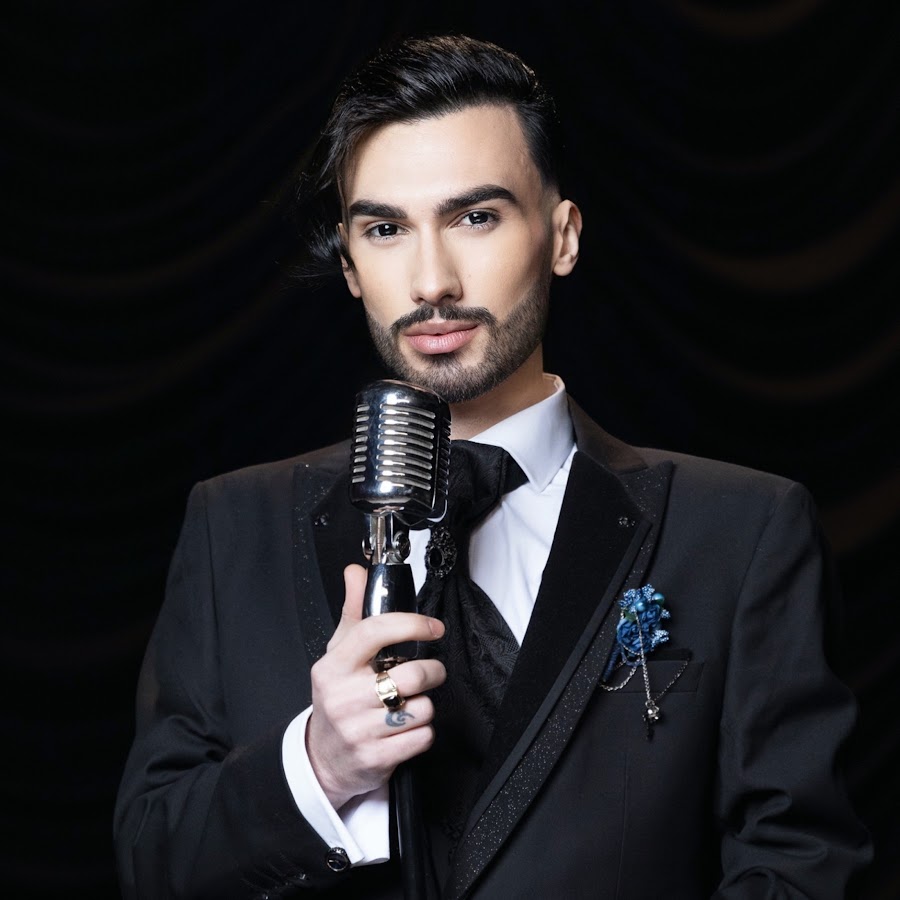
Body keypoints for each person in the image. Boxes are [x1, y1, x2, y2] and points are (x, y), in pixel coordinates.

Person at [114, 34, 871, 899]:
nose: (431, 280)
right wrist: (317, 767)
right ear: (352, 266)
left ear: (563, 237)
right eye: (386, 229)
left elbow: (801, 867)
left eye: (475, 217)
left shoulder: (741, 532)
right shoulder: (232, 526)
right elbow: (152, 860)